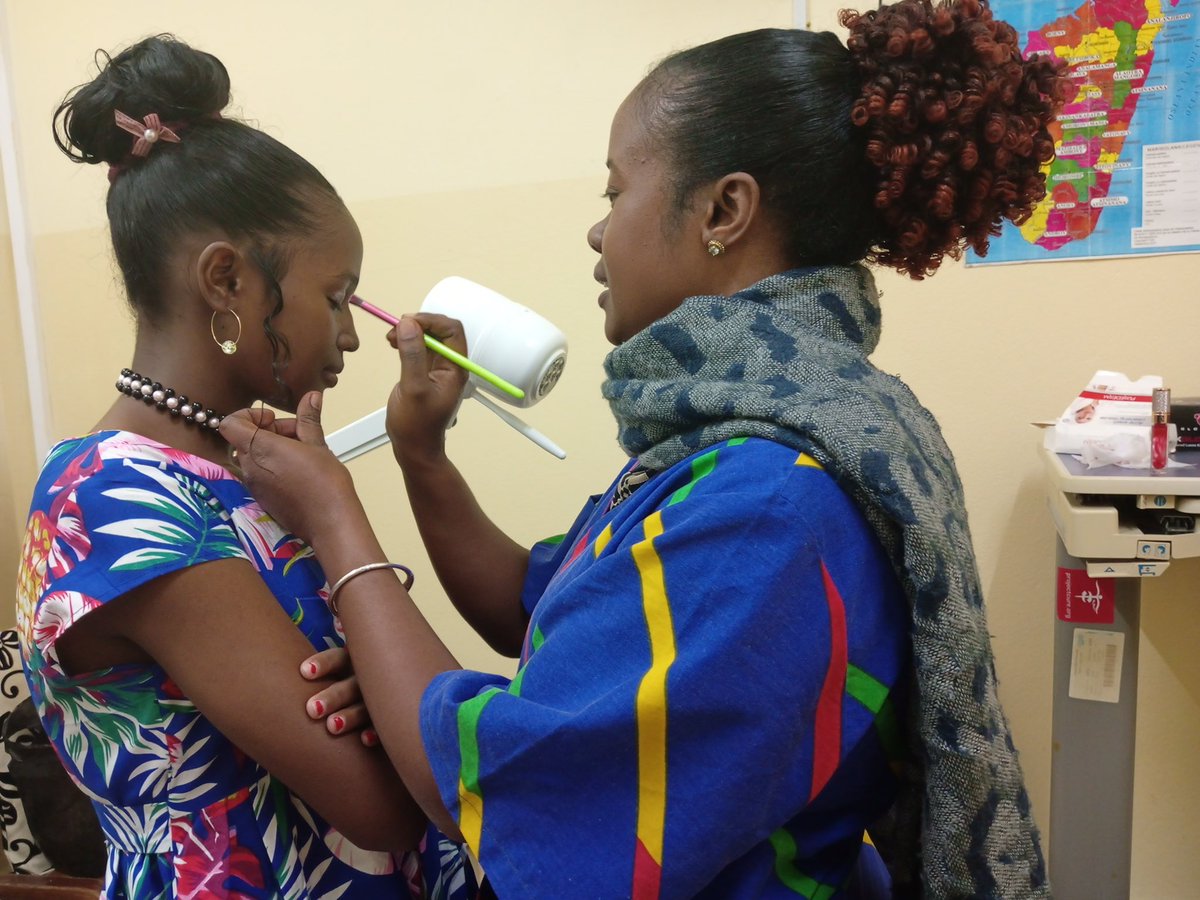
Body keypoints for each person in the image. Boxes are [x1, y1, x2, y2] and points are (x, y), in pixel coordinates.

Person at [221, 1, 1068, 897]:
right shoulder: (769, 439)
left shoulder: (766, 505)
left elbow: (503, 798)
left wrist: (334, 516)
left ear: (724, 210)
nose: (599, 230)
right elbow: (533, 610)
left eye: (616, 191)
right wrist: (422, 454)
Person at [14, 35, 476, 898]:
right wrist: (364, 631)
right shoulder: (115, 494)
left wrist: (372, 672)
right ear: (225, 280)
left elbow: (411, 725)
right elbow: (388, 806)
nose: (348, 336)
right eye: (336, 297)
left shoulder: (250, 470)